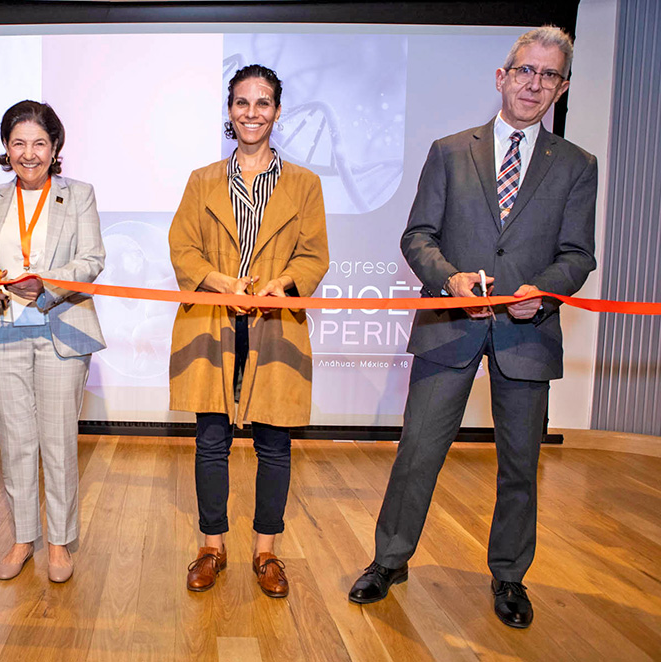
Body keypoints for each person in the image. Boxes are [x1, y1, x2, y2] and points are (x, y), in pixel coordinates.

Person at [348, 26, 596, 629]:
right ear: (502, 77)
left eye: (549, 75)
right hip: (450, 326)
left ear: (562, 88)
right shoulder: (450, 150)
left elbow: (577, 255)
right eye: (525, 70)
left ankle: (509, 575)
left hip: (528, 334)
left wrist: (543, 293)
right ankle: (389, 561)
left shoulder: (577, 165)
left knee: (520, 465)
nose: (534, 84)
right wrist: (449, 280)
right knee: (418, 453)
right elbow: (418, 236)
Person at [168, 65, 329, 598]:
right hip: (213, 323)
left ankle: (266, 552)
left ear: (277, 112)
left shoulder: (305, 184)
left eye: (262, 103)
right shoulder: (202, 180)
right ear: (230, 110)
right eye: (242, 102)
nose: (251, 113)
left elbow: (314, 255)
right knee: (211, 442)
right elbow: (182, 247)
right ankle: (211, 547)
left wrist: (283, 283)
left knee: (274, 445)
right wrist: (221, 283)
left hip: (274, 326)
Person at [0, 100, 105, 584]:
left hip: (60, 330)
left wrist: (46, 284)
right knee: (15, 443)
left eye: (39, 143)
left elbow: (91, 260)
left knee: (58, 443)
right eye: (19, 143)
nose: (29, 153)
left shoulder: (78, 195)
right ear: (6, 147)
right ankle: (24, 538)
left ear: (55, 147)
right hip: (2, 333)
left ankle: (59, 543)